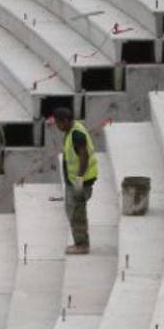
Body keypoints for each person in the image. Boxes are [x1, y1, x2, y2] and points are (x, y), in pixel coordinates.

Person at [54, 107, 99, 255]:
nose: (57, 127)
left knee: (77, 212)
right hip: (73, 180)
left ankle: (82, 245)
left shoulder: (77, 135)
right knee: (72, 210)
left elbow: (84, 157)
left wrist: (79, 181)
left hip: (81, 181)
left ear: (65, 121)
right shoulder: (72, 129)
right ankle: (79, 242)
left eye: (58, 123)